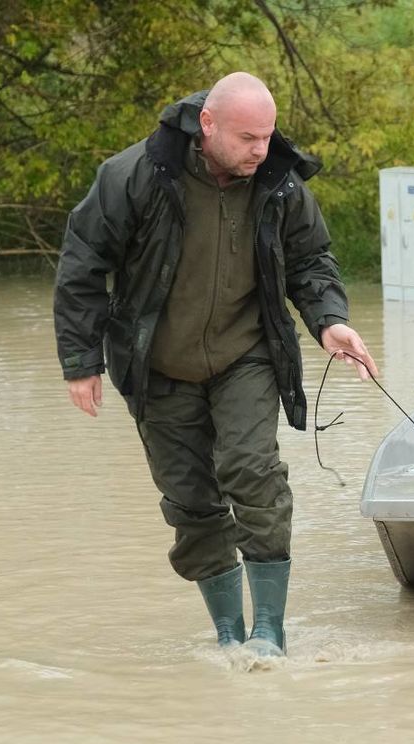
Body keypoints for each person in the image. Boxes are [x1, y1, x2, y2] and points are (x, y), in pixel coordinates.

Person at [53, 72, 378, 662]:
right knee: (190, 501)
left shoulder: (279, 183)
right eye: (248, 137)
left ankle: (270, 634)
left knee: (253, 472)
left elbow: (312, 260)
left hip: (245, 355)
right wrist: (82, 360)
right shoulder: (135, 176)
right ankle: (229, 634)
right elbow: (82, 262)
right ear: (207, 125)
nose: (261, 149)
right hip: (157, 364)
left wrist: (330, 320)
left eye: (267, 135)